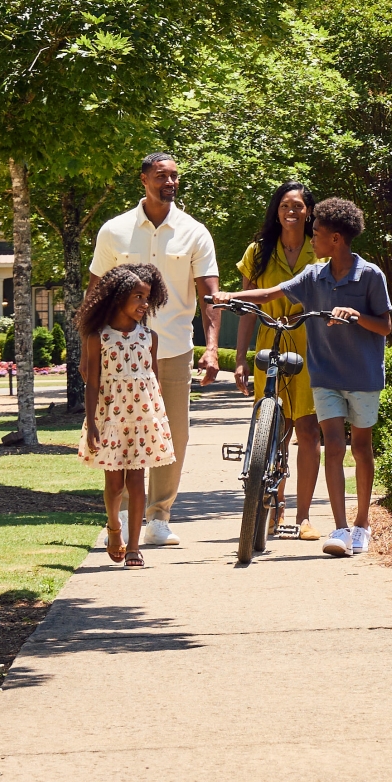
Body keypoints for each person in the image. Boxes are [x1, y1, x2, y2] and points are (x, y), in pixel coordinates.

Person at [212, 197, 391, 557]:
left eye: (318, 234)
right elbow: (270, 293)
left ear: (336, 239)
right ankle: (340, 529)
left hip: (363, 375)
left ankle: (362, 524)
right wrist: (229, 295)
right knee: (335, 448)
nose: (312, 239)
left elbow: (384, 327)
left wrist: (354, 315)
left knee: (360, 448)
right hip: (323, 376)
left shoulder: (370, 274)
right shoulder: (314, 276)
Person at [88, 153, 221, 549]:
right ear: (143, 179)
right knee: (124, 432)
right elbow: (95, 293)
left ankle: (159, 516)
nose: (170, 182)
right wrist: (87, 349)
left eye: (175, 176)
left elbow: (210, 296)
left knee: (172, 435)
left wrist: (212, 347)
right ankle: (126, 514)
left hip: (174, 348)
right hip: (119, 350)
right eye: (162, 175)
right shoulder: (114, 231)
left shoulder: (194, 232)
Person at [231, 181, 322, 536]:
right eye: (285, 205)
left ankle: (304, 517)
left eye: (298, 206)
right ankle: (274, 507)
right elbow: (248, 308)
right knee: (274, 431)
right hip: (271, 341)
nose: (291, 212)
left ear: (309, 211)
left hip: (312, 345)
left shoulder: (322, 250)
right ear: (277, 210)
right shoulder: (257, 252)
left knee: (309, 430)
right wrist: (240, 358)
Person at [79, 264, 177, 569]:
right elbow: (93, 382)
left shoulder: (150, 336)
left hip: (143, 419)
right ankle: (114, 528)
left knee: (137, 481)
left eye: (147, 298)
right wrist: (93, 423)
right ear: (119, 297)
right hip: (110, 416)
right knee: (114, 484)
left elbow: (154, 380)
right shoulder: (99, 337)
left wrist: (159, 421)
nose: (144, 304)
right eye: (138, 296)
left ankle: (134, 546)